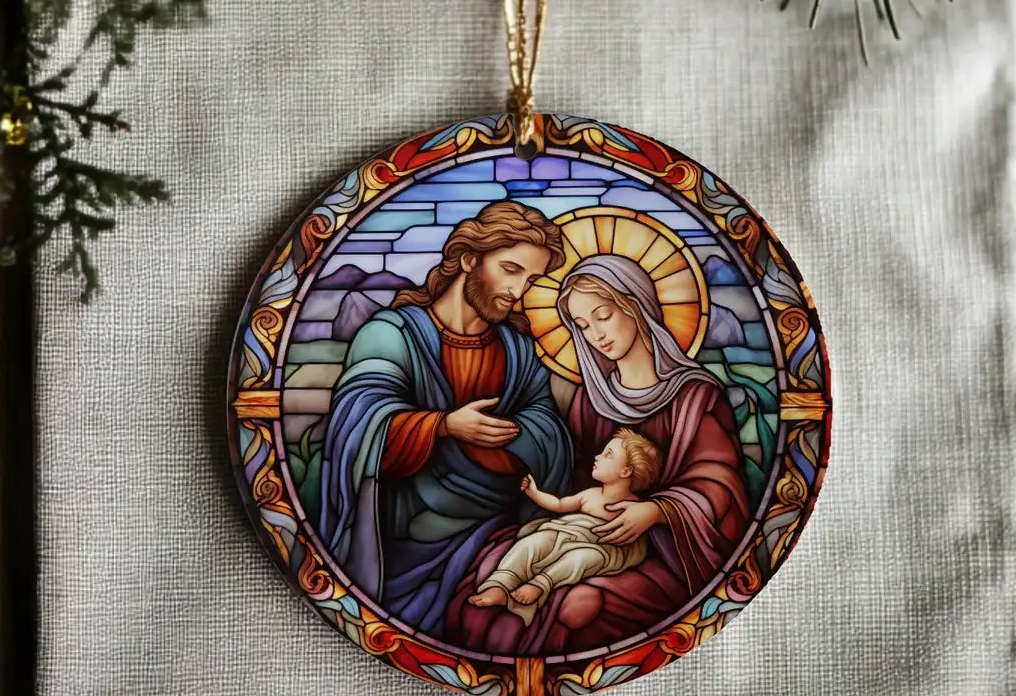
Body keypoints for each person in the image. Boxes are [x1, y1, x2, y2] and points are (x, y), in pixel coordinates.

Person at [445, 253, 751, 654]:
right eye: (583, 326)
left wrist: (658, 511)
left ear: (636, 305)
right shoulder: (592, 400)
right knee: (487, 568)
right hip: (586, 530)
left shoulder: (696, 395)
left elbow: (720, 479)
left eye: (603, 315)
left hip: (666, 549)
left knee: (576, 607)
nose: (595, 335)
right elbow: (576, 477)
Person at [316, 200, 573, 637]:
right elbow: (356, 421)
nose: (519, 290)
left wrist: (513, 435)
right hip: (403, 538)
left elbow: (549, 428)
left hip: (500, 530)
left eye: (531, 279)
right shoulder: (391, 334)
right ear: (469, 259)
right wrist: (443, 426)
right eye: (511, 269)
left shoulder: (518, 348)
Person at [468, 428, 662, 627]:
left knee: (580, 558)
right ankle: (501, 584)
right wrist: (534, 493)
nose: (598, 456)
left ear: (626, 471)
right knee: (533, 542)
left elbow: (632, 542)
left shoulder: (636, 509)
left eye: (608, 455)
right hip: (568, 533)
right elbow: (559, 505)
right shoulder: (590, 494)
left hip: (603, 549)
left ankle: (540, 584)